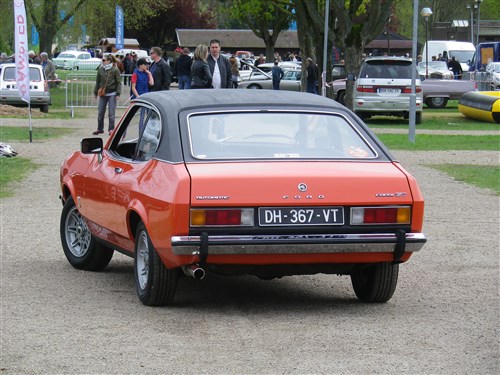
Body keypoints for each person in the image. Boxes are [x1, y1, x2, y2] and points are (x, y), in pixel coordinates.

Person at [93, 55, 121, 135]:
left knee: (111, 113)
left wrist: (118, 93)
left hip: (112, 93)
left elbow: (118, 82)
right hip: (103, 93)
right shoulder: (100, 69)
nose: (103, 61)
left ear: (109, 61)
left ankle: (111, 129)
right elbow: (98, 81)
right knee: (100, 112)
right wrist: (95, 92)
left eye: (104, 60)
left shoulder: (115, 70)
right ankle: (100, 128)